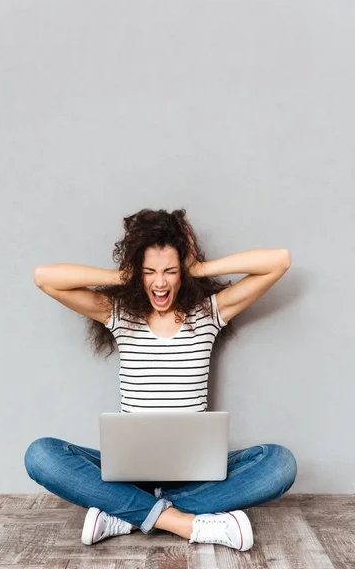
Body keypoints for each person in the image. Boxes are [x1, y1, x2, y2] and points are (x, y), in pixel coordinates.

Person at [24, 208, 297, 551]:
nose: (160, 282)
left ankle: (126, 513)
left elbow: (280, 261)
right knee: (40, 455)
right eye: (150, 272)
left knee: (280, 464)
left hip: (194, 472)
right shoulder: (119, 315)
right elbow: (44, 277)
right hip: (130, 473)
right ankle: (183, 522)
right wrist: (124, 275)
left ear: (182, 272)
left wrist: (198, 268)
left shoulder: (208, 314)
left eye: (170, 271)